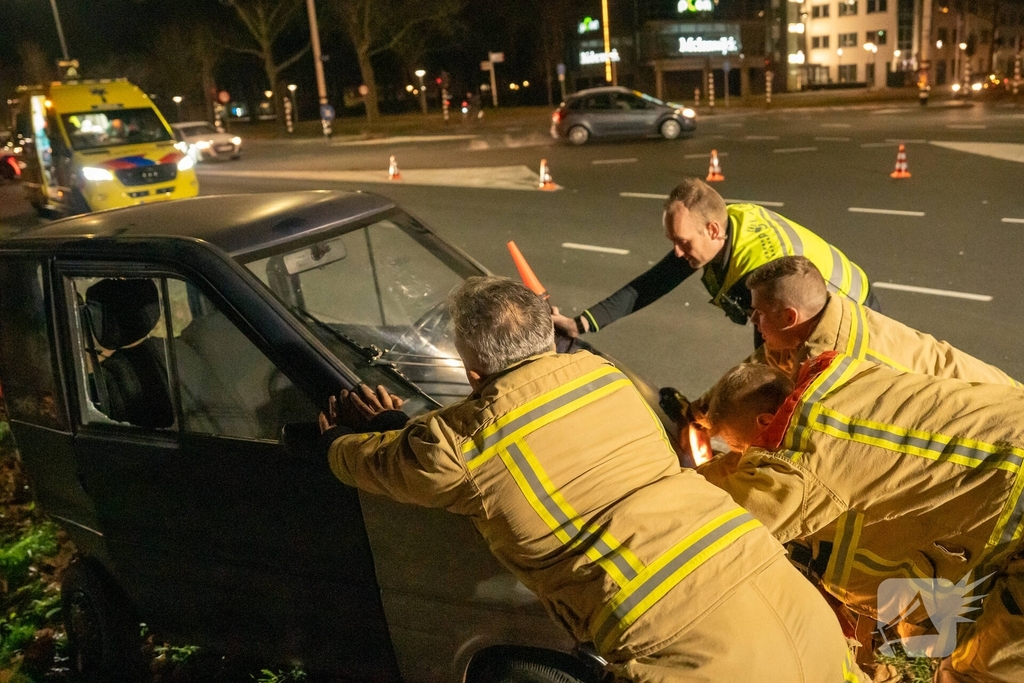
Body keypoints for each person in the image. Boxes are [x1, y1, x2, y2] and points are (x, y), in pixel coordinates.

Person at [319, 276, 863, 682]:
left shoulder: (457, 446)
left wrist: (337, 442)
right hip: (777, 590)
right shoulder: (605, 377)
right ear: (547, 337)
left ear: (471, 370)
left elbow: (378, 464)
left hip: (683, 645)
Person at [701, 357, 1024, 682]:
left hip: (1013, 517)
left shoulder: (795, 468)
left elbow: (718, 523)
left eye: (736, 446)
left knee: (977, 670)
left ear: (765, 420)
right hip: (1009, 462)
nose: (742, 458)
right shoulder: (843, 384)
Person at [551, 178, 875, 345]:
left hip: (852, 314)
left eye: (683, 242)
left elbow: (775, 351)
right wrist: (579, 323)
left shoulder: (757, 274)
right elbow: (653, 282)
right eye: (673, 242)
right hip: (826, 302)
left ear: (713, 229)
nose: (677, 253)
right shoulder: (723, 227)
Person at [744, 255, 1021, 387]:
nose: (753, 319)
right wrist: (704, 409)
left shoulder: (829, 368)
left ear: (791, 317)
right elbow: (758, 369)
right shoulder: (831, 315)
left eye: (760, 312)